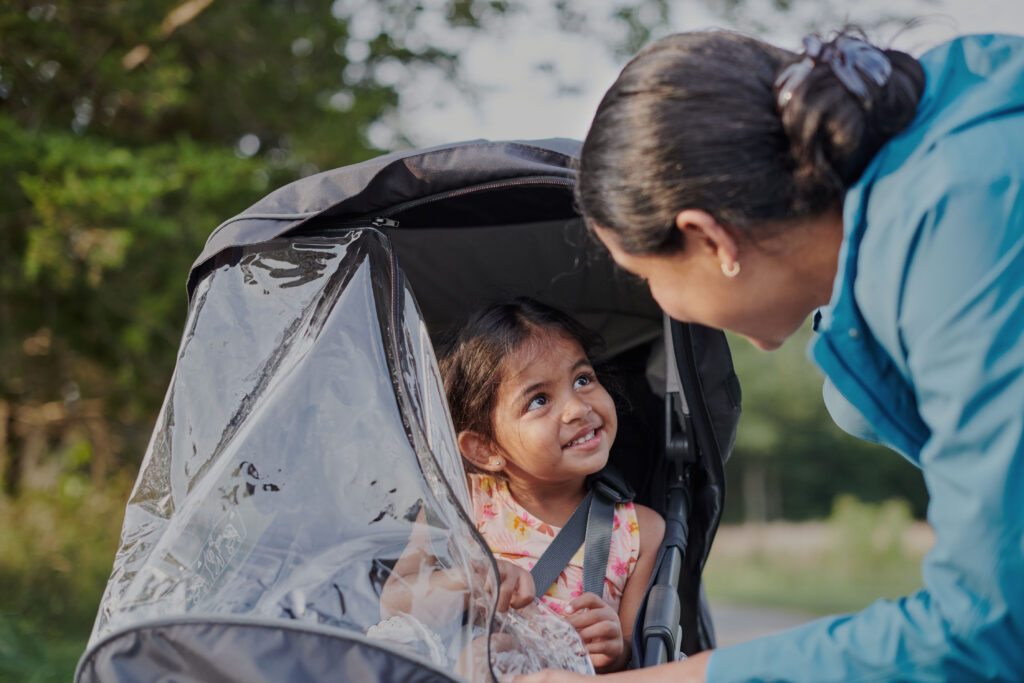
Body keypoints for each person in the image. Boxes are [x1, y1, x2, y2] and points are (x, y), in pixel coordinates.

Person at [517, 28, 1024, 683]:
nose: (663, 305)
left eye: (647, 278)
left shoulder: (960, 220)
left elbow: (988, 622)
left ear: (710, 239)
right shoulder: (928, 187)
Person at [439, 298, 665, 673]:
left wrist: (615, 647)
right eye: (539, 400)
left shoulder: (642, 532)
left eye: (583, 379)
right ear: (486, 448)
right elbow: (394, 603)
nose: (577, 408)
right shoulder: (460, 501)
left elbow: (636, 654)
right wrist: (467, 580)